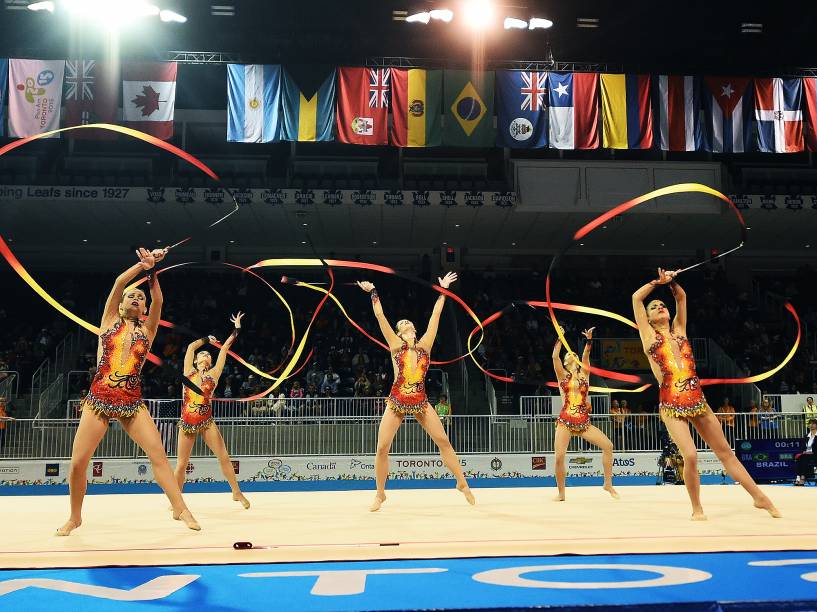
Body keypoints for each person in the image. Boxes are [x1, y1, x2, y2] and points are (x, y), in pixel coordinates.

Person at [58, 248, 200, 535]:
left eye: (141, 298)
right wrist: (141, 265)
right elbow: (119, 283)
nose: (136, 298)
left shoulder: (148, 330)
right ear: (120, 305)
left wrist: (152, 273)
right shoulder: (109, 321)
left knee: (158, 456)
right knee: (77, 464)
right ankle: (75, 517)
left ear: (145, 310)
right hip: (99, 398)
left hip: (132, 402)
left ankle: (181, 509)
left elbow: (158, 298)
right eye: (131, 297)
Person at [632, 268, 780, 520]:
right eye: (654, 306)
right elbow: (637, 298)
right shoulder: (648, 336)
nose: (659, 307)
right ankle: (697, 508)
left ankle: (759, 497)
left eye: (661, 305)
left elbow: (681, 298)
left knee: (725, 452)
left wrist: (672, 282)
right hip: (670, 403)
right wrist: (657, 282)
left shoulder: (680, 330)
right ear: (646, 318)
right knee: (690, 455)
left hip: (697, 400)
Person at [357, 272, 475, 511]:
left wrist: (443, 291)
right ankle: (380, 494)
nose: (407, 326)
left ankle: (462, 483)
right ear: (399, 333)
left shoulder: (425, 346)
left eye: (409, 324)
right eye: (403, 326)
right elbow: (380, 316)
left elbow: (435, 316)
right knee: (382, 447)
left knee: (443, 440)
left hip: (420, 401)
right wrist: (373, 292)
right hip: (397, 400)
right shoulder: (394, 345)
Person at [174, 313, 250, 510]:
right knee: (181, 464)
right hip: (187, 422)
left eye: (208, 354)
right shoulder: (188, 371)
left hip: (206, 421)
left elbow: (225, 348)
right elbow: (191, 347)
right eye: (203, 354)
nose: (205, 355)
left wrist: (237, 328)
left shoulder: (214, 374)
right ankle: (176, 501)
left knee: (223, 456)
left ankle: (236, 491)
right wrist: (206, 340)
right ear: (197, 360)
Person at [551, 327, 618, 501]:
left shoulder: (584, 375)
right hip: (565, 420)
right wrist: (560, 337)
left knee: (608, 446)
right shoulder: (562, 376)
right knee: (559, 457)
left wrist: (589, 341)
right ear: (566, 362)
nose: (572, 355)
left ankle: (608, 484)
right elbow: (554, 357)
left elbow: (586, 356)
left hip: (583, 421)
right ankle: (561, 493)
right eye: (569, 354)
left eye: (574, 354)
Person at [794, 419, 817, 485]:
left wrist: (811, 452)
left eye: (813, 423)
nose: (811, 425)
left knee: (803, 458)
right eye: (810, 424)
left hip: (815, 455)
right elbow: (802, 447)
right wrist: (804, 452)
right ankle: (801, 477)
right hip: (806, 455)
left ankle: (800, 478)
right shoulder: (806, 436)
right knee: (801, 458)